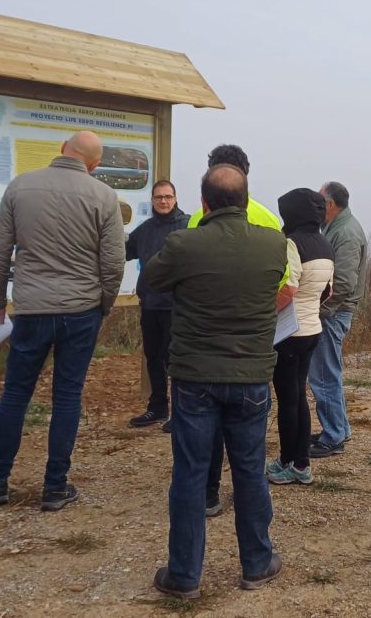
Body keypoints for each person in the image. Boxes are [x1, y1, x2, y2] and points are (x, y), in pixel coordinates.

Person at [145, 164, 287, 599]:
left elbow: (151, 279)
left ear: (203, 203)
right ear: (246, 201)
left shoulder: (184, 243)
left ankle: (184, 576)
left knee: (190, 474)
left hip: (195, 377)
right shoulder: (274, 244)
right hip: (251, 377)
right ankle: (257, 564)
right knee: (249, 470)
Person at [0, 131, 125, 512]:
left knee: (15, 395)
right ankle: (56, 486)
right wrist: (103, 305)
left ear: (62, 150)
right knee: (67, 396)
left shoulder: (20, 187)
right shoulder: (104, 197)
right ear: (93, 164)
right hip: (81, 311)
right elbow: (112, 265)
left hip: (31, 309)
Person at [187, 144, 283, 517]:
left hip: (203, 353)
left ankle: (208, 495)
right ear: (246, 176)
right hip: (252, 352)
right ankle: (254, 539)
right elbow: (285, 283)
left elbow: (180, 283)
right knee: (248, 447)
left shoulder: (197, 219)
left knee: (202, 437)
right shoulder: (270, 222)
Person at [266, 189, 334, 486]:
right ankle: (302, 463)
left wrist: (269, 312)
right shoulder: (325, 244)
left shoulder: (292, 243)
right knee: (299, 397)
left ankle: (286, 462)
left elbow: (289, 287)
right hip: (312, 330)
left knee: (287, 400)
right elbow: (328, 291)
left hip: (289, 332)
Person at [307, 181, 366, 458]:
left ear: (330, 204)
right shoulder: (335, 227)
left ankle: (332, 438)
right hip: (330, 312)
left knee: (323, 375)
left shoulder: (347, 233)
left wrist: (319, 311)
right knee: (328, 373)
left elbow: (343, 283)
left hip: (332, 314)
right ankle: (338, 429)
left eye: (320, 201)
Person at [126, 179, 188, 431]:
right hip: (150, 304)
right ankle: (158, 407)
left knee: (177, 362)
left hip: (178, 306)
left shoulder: (187, 227)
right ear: (152, 200)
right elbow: (121, 251)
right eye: (158, 197)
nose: (163, 201)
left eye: (168, 197)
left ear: (175, 198)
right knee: (154, 358)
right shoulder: (145, 230)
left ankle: (180, 413)